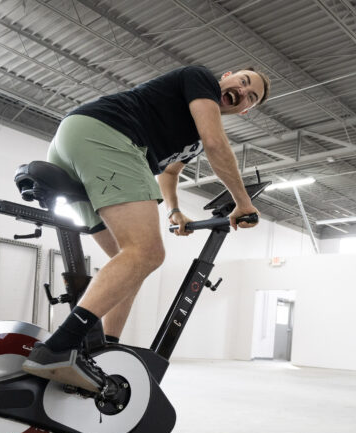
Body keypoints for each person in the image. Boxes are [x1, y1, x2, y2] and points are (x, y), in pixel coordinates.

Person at [22, 65, 270, 392]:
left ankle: (103, 350)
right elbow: (216, 143)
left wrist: (176, 211)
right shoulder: (201, 80)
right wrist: (243, 202)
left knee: (132, 265)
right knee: (147, 253)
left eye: (251, 96)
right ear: (226, 77)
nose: (243, 90)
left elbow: (169, 173)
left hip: (75, 141)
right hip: (107, 134)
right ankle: (59, 347)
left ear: (245, 109)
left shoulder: (192, 134)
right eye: (244, 81)